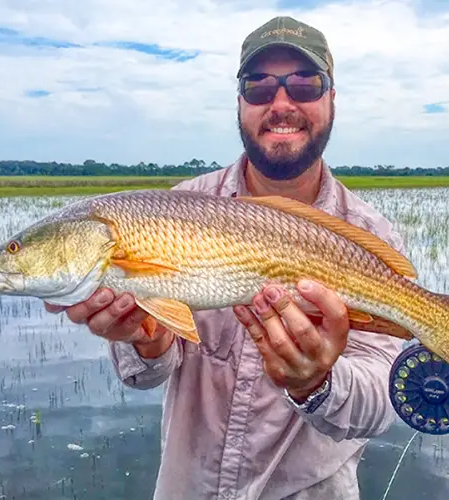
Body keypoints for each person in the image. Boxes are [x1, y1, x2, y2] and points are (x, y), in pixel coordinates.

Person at [45, 15, 407, 500]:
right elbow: (148, 372)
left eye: (304, 83)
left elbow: (382, 402)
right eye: (258, 87)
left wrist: (317, 383)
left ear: (331, 98)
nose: (281, 103)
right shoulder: (174, 208)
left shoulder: (370, 235)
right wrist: (145, 341)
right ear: (239, 102)